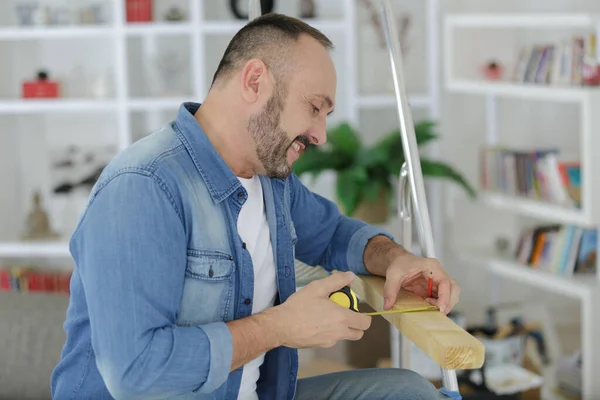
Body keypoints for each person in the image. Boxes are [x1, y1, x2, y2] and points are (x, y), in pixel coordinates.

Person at [51, 13, 460, 400]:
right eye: (314, 108)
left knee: (408, 391)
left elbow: (334, 234)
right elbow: (135, 372)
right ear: (254, 81)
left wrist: (395, 259)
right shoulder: (144, 188)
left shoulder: (270, 180)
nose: (320, 134)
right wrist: (281, 327)